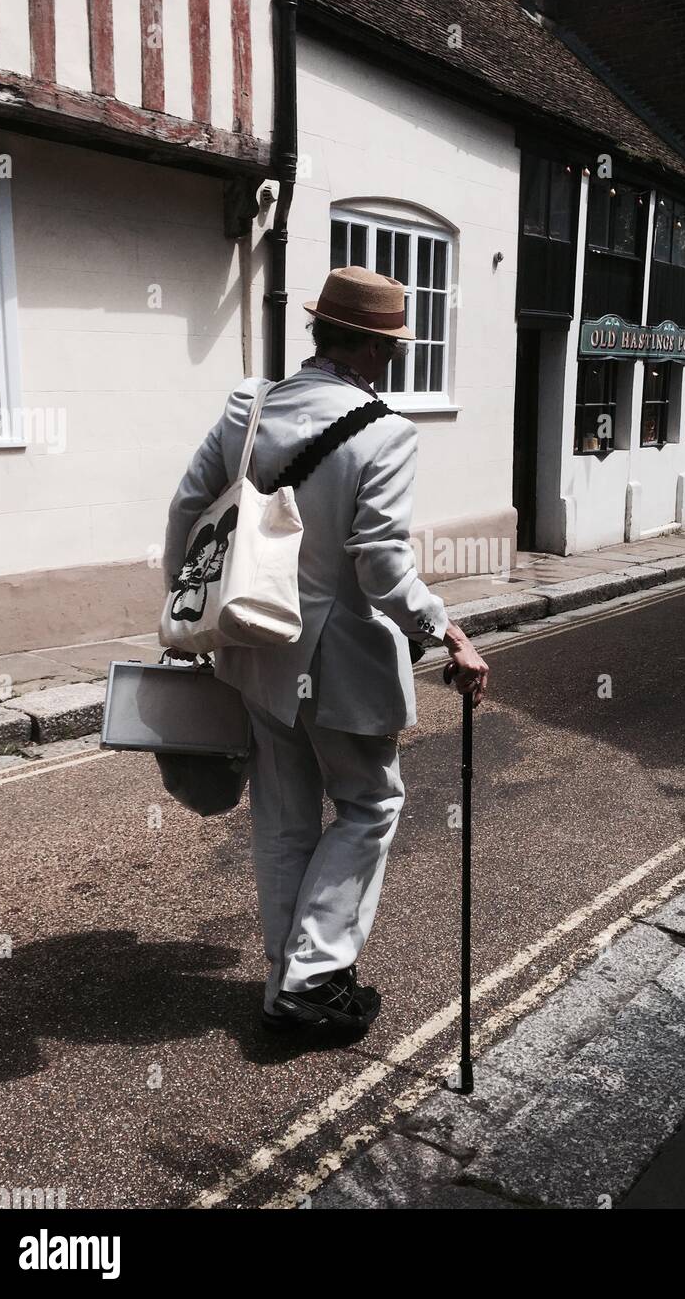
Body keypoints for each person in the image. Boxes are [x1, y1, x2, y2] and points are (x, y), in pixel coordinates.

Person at [163, 266, 489, 1032]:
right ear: (374, 347)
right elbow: (380, 566)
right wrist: (446, 630)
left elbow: (187, 508)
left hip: (251, 649)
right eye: (394, 347)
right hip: (336, 662)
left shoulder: (251, 407)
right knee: (371, 803)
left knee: (283, 815)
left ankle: (287, 983)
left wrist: (186, 612)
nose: (397, 360)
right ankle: (314, 976)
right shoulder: (384, 431)